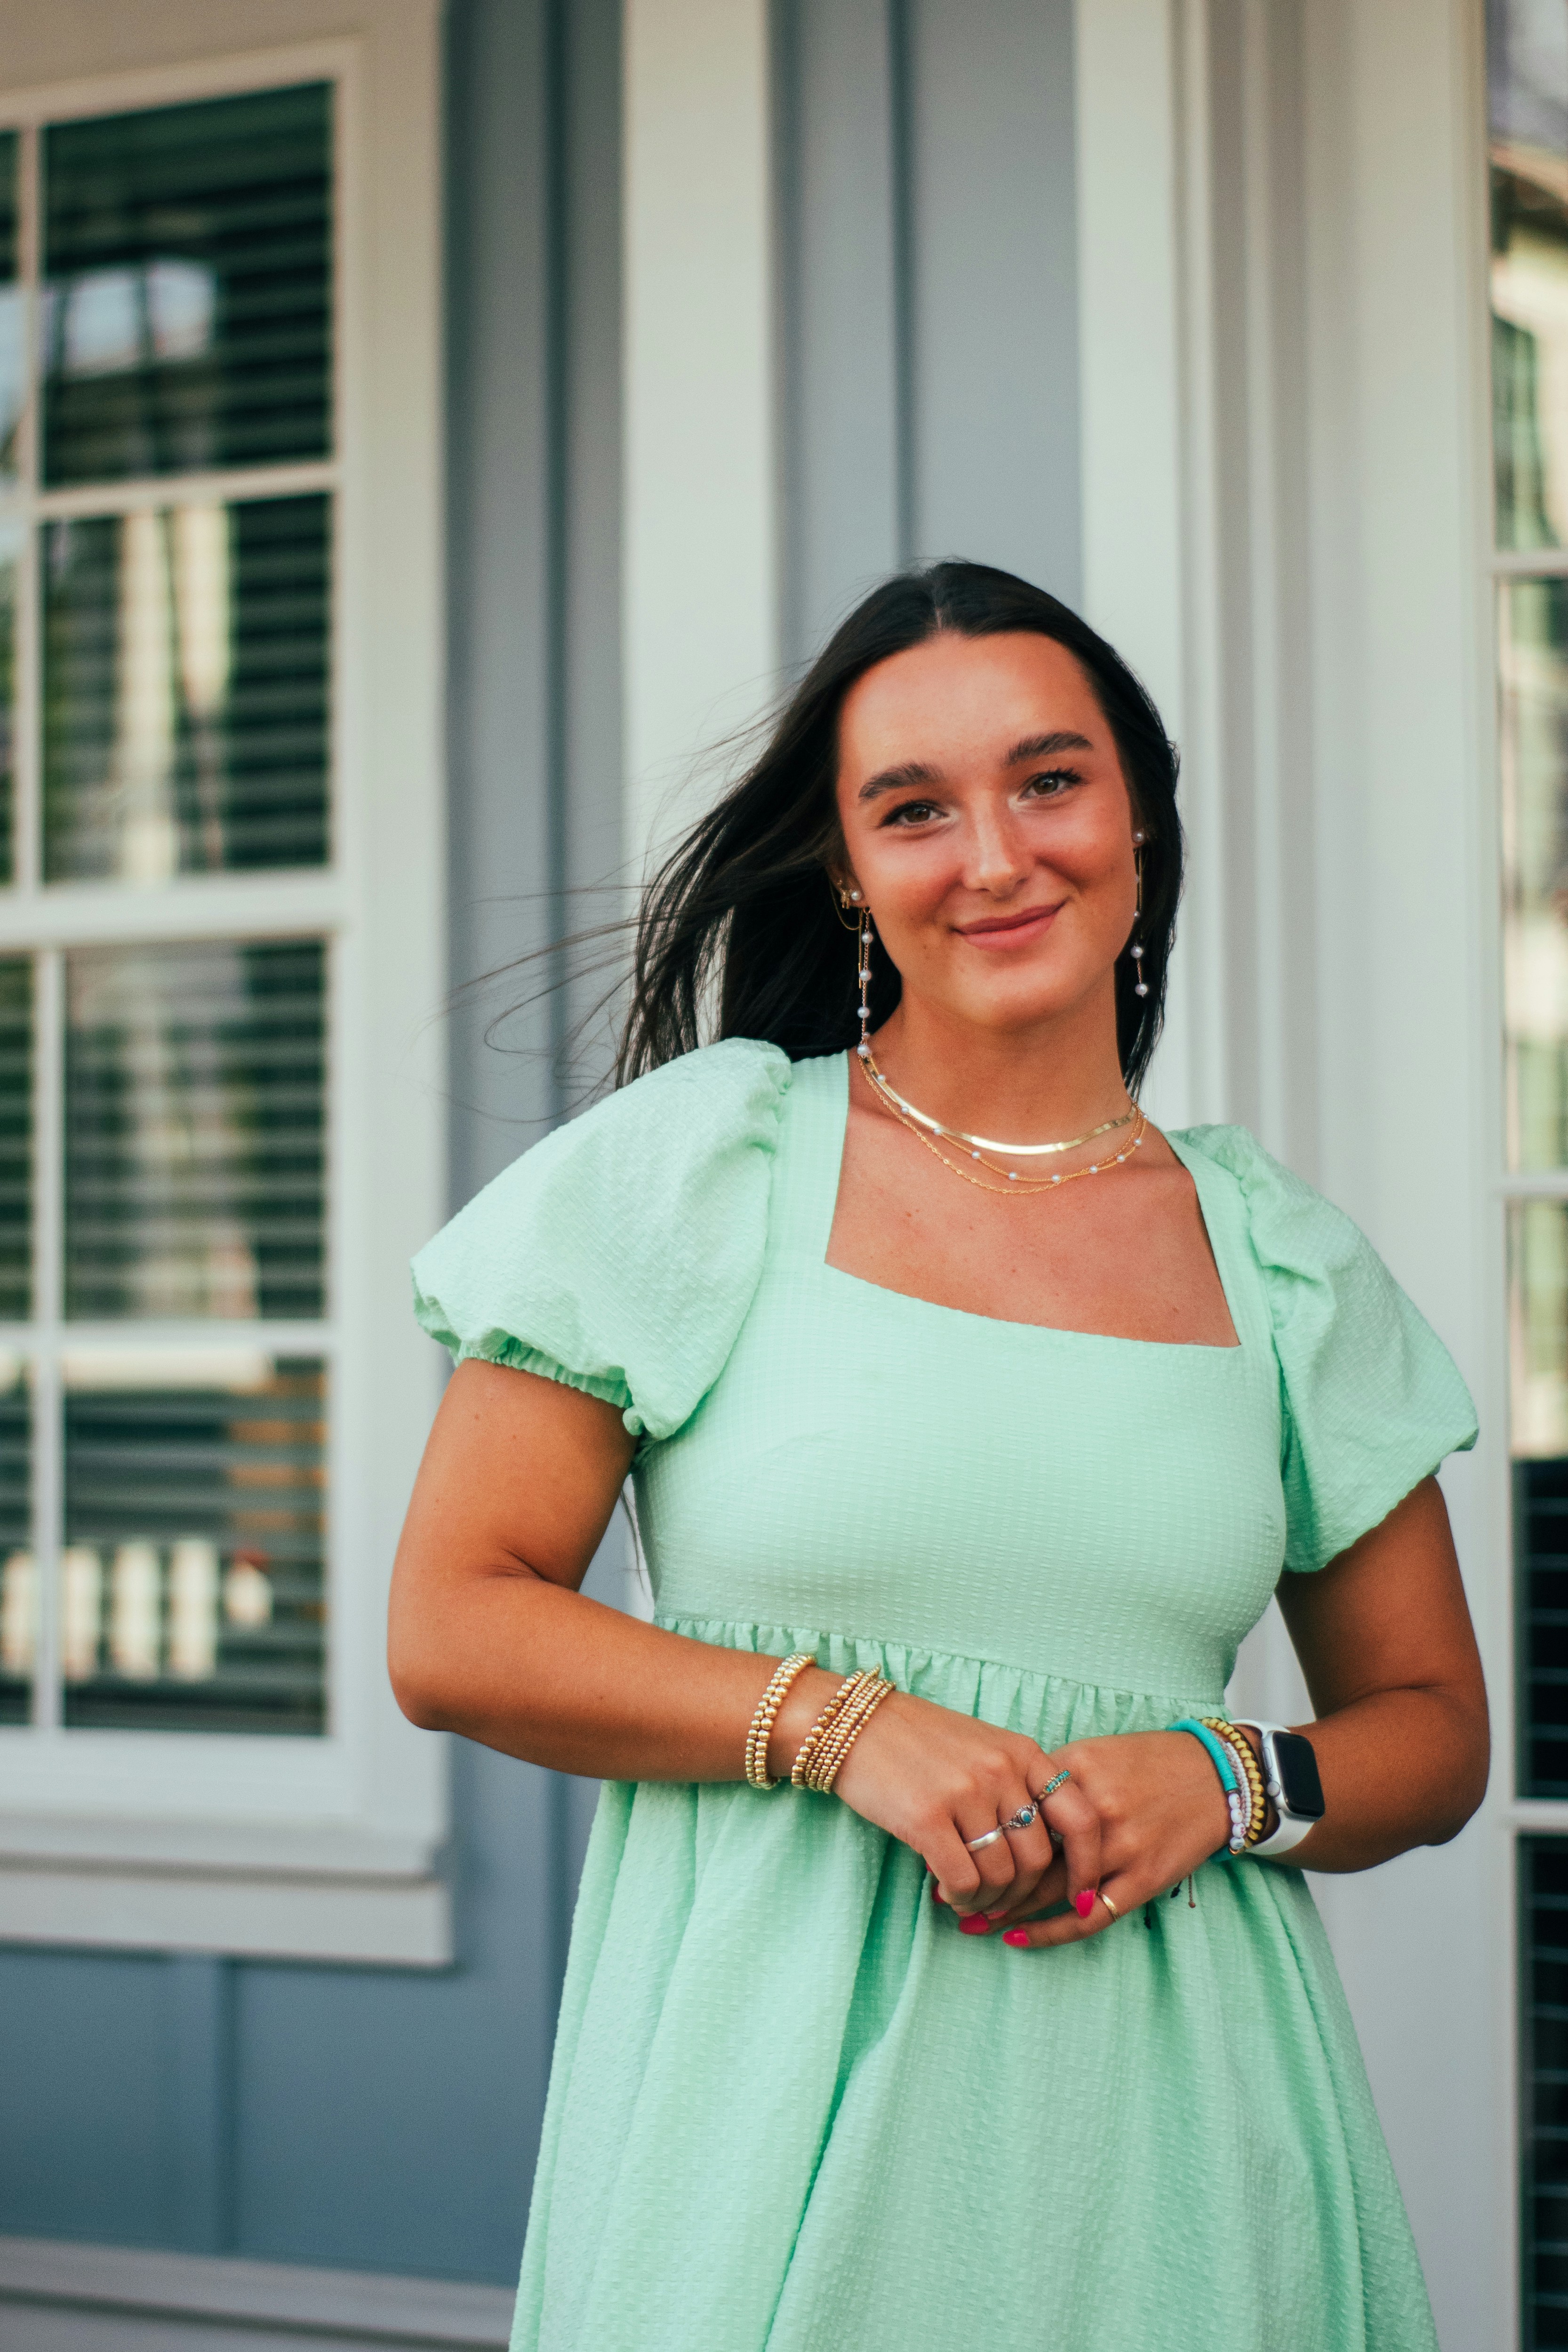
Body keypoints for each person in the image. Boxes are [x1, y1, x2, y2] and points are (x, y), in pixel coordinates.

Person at [389, 560, 1488, 2351]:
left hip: (1186, 2148)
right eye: (914, 808)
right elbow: (452, 1628)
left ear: (1136, 816)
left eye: (1049, 781)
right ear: (847, 866)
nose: (994, 854)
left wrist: (1227, 1782)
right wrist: (844, 1730)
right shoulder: (703, 1166)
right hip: (762, 2127)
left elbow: (1433, 1729)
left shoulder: (1278, 1258)